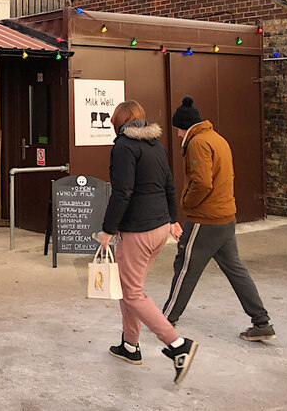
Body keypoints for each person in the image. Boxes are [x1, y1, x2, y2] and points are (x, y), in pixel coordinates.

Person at [98, 100, 197, 384]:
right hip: (159, 229)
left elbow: (122, 192)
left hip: (137, 231)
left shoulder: (123, 147)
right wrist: (172, 219)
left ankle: (178, 346)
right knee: (131, 288)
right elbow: (170, 185)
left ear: (118, 120)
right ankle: (130, 346)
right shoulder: (156, 145)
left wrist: (108, 229)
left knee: (132, 293)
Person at [162, 96, 276, 342]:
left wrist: (187, 204)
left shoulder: (198, 143)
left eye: (178, 130)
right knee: (236, 270)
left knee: (185, 267)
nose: (178, 136)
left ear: (185, 126)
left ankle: (166, 318)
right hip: (226, 216)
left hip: (205, 218)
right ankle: (262, 321)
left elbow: (202, 182)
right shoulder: (218, 139)